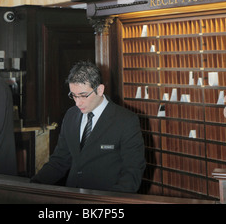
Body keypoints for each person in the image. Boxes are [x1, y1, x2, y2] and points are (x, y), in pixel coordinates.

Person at [31, 60, 145, 192]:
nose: (78, 103)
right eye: (73, 96)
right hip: (73, 198)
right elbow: (60, 161)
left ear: (100, 90)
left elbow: (132, 171)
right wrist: (33, 185)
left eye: (83, 96)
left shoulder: (126, 121)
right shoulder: (71, 115)